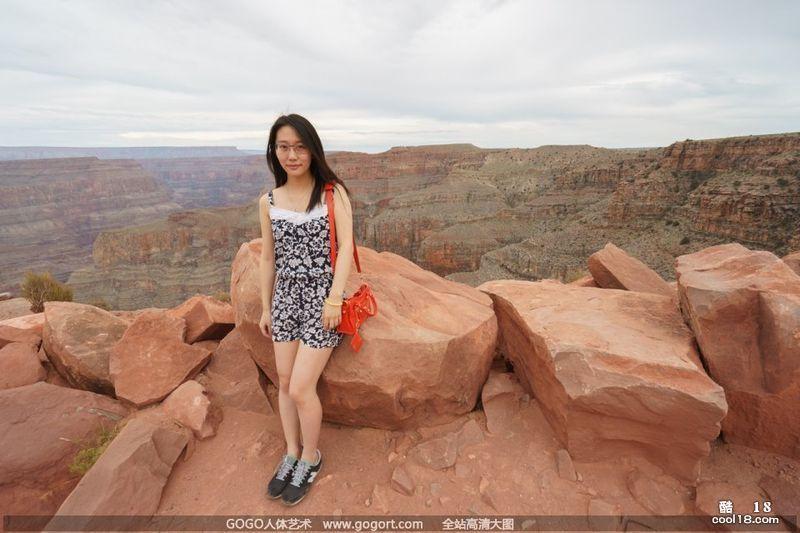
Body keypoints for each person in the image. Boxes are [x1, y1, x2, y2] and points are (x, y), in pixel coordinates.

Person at [257, 113, 355, 506]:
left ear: (313, 150)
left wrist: (334, 298)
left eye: (300, 147)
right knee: (284, 381)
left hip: (321, 299)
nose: (292, 155)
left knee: (300, 387)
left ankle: (311, 457)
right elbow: (268, 258)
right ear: (274, 150)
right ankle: (292, 452)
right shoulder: (268, 202)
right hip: (285, 298)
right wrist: (266, 307)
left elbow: (345, 248)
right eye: (284, 147)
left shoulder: (332, 194)